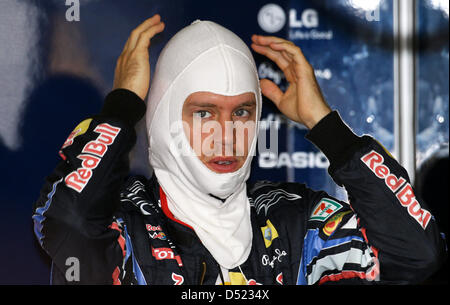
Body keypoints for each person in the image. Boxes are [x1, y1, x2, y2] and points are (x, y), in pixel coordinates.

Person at [33, 14, 446, 285]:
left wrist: (327, 128)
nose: (227, 135)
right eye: (204, 113)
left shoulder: (297, 219)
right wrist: (122, 105)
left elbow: (418, 254)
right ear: (162, 117)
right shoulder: (123, 224)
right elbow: (63, 223)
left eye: (242, 112)